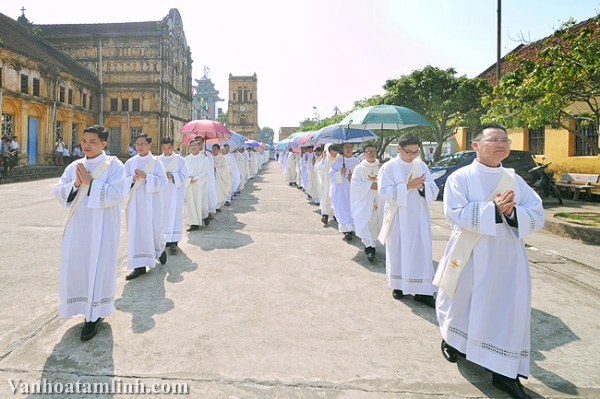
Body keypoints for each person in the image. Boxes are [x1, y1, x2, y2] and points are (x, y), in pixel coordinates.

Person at [434, 123, 545, 399]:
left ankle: (504, 373)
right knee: (462, 302)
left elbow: (536, 212)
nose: (502, 144)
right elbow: (454, 212)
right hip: (471, 254)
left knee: (506, 309)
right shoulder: (460, 177)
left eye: (505, 140)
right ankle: (453, 341)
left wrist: (511, 213)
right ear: (475, 145)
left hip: (507, 258)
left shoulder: (515, 180)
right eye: (494, 139)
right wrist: (492, 210)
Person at [54, 125, 126, 341]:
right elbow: (59, 192)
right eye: (84, 141)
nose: (86, 145)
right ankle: (80, 306)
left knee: (99, 265)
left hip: (102, 225)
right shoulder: (75, 165)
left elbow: (117, 194)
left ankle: (94, 316)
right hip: (79, 224)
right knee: (77, 264)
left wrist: (91, 183)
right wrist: (76, 183)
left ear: (104, 143)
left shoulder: (115, 166)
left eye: (92, 141)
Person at [378, 133, 439, 307]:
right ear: (399, 149)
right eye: (409, 152)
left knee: (421, 251)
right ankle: (399, 286)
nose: (412, 156)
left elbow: (433, 189)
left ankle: (423, 291)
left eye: (415, 152)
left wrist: (421, 187)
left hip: (418, 217)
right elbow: (384, 192)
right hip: (398, 217)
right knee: (399, 249)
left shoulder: (421, 166)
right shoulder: (389, 168)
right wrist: (407, 186)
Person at [124, 133, 168, 280]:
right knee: (137, 232)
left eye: (143, 144)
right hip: (135, 203)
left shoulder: (156, 163)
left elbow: (163, 182)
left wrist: (146, 177)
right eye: (137, 144)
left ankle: (159, 250)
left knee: (153, 230)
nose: (140, 147)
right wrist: (132, 179)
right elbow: (122, 182)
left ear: (150, 145)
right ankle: (139, 265)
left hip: (151, 202)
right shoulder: (130, 163)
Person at [350, 144, 383, 261]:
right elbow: (355, 183)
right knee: (366, 221)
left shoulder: (382, 167)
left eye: (373, 151)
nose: (371, 154)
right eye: (369, 151)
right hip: (365, 201)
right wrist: (370, 185)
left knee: (377, 221)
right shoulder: (359, 168)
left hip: (379, 200)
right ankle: (369, 247)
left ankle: (373, 244)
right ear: (364, 154)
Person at [158, 136, 189, 250]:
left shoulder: (180, 160)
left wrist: (173, 176)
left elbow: (185, 175)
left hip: (175, 191)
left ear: (173, 147)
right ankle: (164, 239)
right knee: (162, 214)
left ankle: (174, 240)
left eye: (169, 148)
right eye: (164, 148)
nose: (167, 150)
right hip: (162, 192)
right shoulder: (158, 160)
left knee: (175, 214)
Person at [329, 142, 360, 241]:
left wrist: (353, 177)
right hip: (342, 190)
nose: (349, 149)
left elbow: (360, 175)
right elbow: (331, 176)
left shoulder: (356, 162)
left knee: (352, 208)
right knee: (343, 209)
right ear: (342, 149)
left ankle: (353, 228)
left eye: (350, 147)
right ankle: (346, 230)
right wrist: (339, 173)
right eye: (346, 147)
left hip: (353, 190)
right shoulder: (337, 162)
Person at [184, 138, 212, 230]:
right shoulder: (186, 159)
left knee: (202, 204)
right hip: (189, 184)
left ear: (199, 146)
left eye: (195, 145)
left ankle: (205, 216)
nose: (193, 147)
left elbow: (205, 172)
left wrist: (196, 178)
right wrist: (188, 179)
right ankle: (194, 223)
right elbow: (183, 171)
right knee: (191, 204)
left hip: (200, 184)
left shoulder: (204, 158)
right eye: (191, 145)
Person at [316, 143, 338, 224]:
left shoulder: (339, 158)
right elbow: (320, 169)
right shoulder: (326, 159)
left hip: (337, 183)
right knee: (326, 198)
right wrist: (324, 159)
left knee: (336, 199)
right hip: (327, 183)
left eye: (335, 153)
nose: (334, 155)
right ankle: (325, 215)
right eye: (332, 153)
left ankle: (336, 215)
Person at [211, 144, 231, 211]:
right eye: (213, 149)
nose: (213, 150)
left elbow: (225, 169)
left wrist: (216, 169)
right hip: (211, 178)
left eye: (215, 149)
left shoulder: (223, 158)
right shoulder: (209, 157)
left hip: (219, 178)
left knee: (219, 192)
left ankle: (218, 206)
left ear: (218, 150)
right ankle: (212, 206)